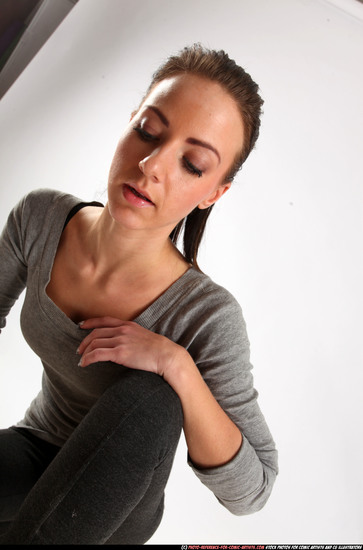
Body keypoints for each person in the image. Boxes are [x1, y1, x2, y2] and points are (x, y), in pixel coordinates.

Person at [0, 44, 278, 545]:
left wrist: (176, 365)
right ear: (130, 124)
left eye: (192, 163)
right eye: (148, 131)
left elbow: (252, 491)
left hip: (115, 510)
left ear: (214, 192)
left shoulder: (206, 316)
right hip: (36, 450)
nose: (151, 164)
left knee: (154, 395)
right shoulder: (40, 219)